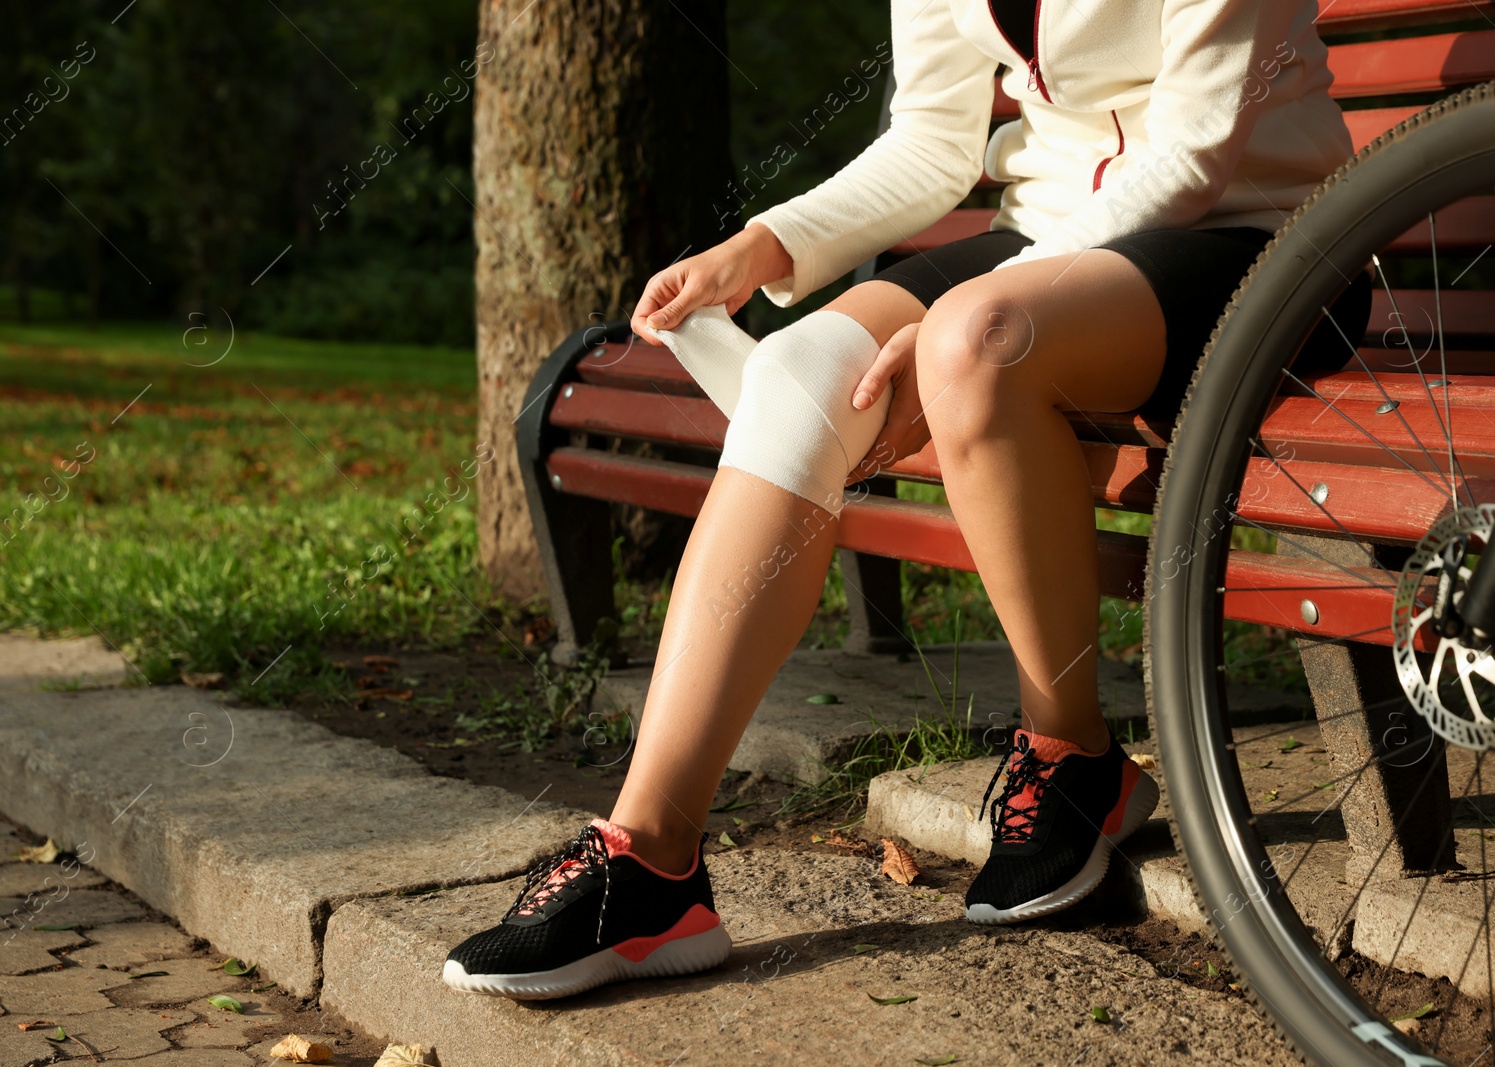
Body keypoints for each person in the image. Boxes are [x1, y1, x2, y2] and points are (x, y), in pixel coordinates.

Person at [441, 0, 1361, 1000]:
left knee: (976, 340)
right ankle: (651, 858)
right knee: (797, 376)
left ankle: (1069, 753)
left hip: (1254, 239)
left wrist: (987, 298)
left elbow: (1190, 152)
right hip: (1049, 237)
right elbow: (930, 138)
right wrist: (764, 245)